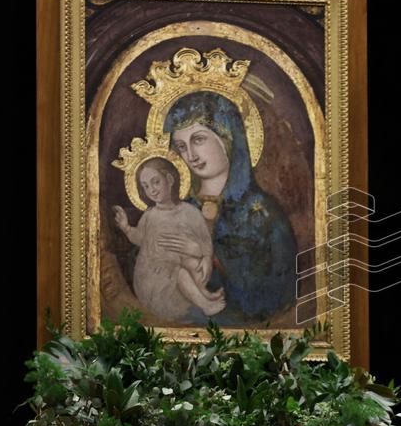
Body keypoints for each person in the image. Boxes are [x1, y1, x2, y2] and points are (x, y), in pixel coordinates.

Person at [163, 91, 298, 325]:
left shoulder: (263, 214)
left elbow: (276, 292)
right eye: (181, 146)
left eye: (198, 140)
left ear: (227, 137)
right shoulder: (179, 210)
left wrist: (211, 255)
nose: (191, 155)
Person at [113, 158, 225, 321]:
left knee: (192, 263)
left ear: (170, 180)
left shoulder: (190, 212)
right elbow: (139, 238)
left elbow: (204, 240)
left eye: (155, 182)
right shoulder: (150, 215)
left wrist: (206, 257)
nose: (151, 190)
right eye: (146, 186)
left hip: (177, 269)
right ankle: (205, 305)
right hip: (153, 279)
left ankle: (204, 294)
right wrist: (126, 227)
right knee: (179, 272)